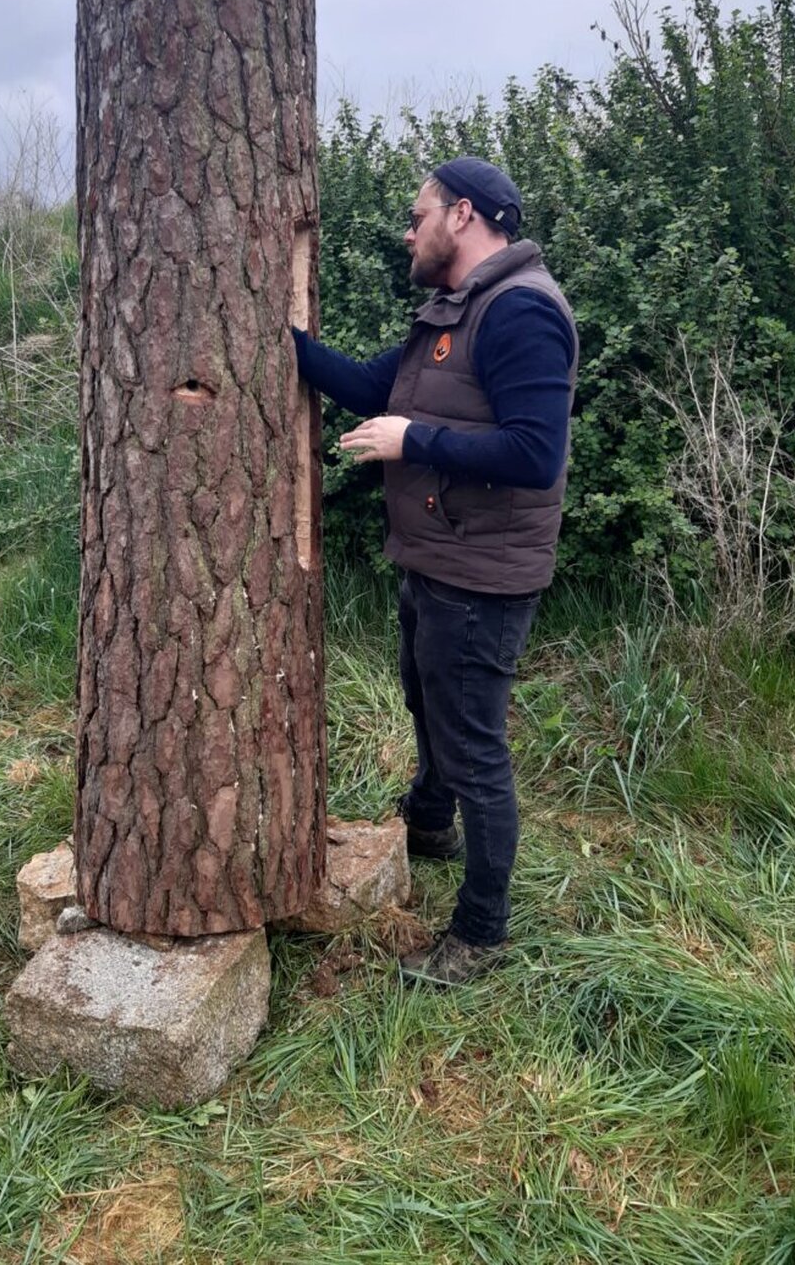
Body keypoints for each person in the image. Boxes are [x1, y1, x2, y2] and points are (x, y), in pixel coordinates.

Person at [292, 157, 578, 985]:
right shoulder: (449, 312)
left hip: (482, 574)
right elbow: (362, 385)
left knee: (474, 746)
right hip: (437, 555)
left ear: (463, 214)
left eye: (418, 216)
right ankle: (427, 824)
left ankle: (480, 934)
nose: (408, 231)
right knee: (427, 698)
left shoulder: (521, 312)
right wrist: (274, 341)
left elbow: (536, 453)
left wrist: (410, 439)